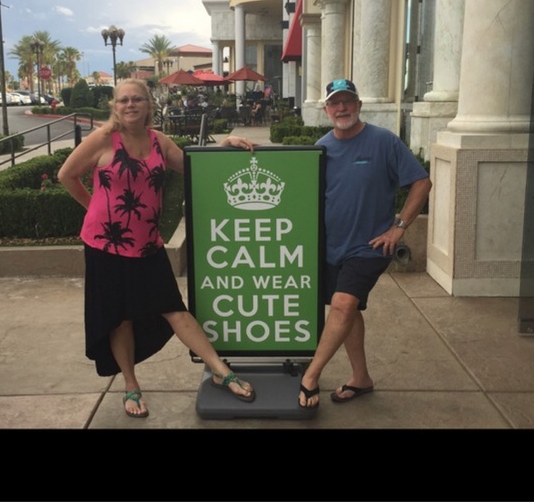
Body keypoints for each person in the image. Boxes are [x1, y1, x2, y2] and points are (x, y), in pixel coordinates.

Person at [58, 79, 257, 418]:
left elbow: (193, 164)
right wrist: (94, 208)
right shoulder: (104, 139)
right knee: (119, 318)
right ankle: (130, 385)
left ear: (149, 105)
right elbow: (67, 175)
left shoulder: (159, 142)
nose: (130, 105)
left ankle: (221, 371)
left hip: (148, 245)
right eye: (123, 100)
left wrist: (225, 144)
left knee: (174, 308)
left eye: (137, 99)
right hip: (105, 247)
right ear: (115, 106)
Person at [298, 79, 432, 409]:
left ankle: (310, 376)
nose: (342, 108)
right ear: (327, 110)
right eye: (335, 103)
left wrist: (399, 228)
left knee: (343, 305)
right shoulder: (321, 148)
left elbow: (421, 182)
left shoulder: (384, 141)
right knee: (349, 310)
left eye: (348, 101)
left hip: (369, 246)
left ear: (358, 106)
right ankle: (361, 378)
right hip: (332, 247)